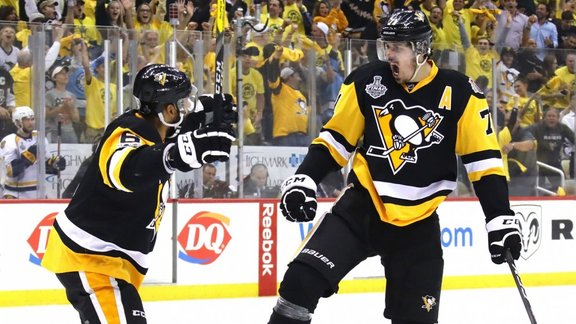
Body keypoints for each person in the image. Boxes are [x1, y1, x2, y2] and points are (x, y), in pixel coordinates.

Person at [267, 9, 522, 324]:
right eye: (386, 45)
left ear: (421, 49)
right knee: (299, 284)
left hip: (418, 225)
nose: (388, 54)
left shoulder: (461, 94)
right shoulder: (366, 81)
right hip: (361, 210)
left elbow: (483, 163)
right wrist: (304, 178)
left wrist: (500, 218)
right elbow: (335, 140)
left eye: (397, 47)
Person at [41, 64, 236, 323]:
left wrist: (202, 112)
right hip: (91, 256)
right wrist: (181, 152)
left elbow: (170, 139)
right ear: (168, 109)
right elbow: (124, 170)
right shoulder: (128, 129)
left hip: (112, 260)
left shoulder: (158, 130)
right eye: (184, 101)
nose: (188, 106)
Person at [0, 106, 66, 199]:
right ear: (18, 122)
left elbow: (43, 166)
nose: (31, 123)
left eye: (32, 119)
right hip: (16, 194)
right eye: (26, 120)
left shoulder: (39, 137)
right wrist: (29, 156)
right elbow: (11, 171)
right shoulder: (9, 141)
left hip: (38, 192)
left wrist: (55, 164)